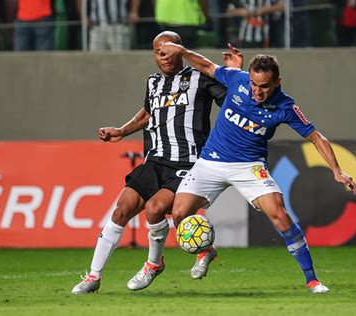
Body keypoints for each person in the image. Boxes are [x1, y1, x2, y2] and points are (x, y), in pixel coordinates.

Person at [159, 42, 356, 293]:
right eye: (254, 84)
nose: (257, 91)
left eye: (264, 86)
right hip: (211, 161)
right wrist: (182, 51)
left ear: (277, 82)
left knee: (281, 216)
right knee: (178, 215)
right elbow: (208, 67)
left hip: (249, 166)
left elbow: (315, 137)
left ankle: (312, 279)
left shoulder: (286, 107)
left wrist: (336, 170)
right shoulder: (237, 79)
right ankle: (207, 251)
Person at [71, 31, 243, 294]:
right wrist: (121, 130)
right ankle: (93, 276)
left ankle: (153, 264)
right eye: (157, 51)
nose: (162, 55)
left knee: (154, 209)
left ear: (179, 50)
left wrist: (234, 75)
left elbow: (234, 101)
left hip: (187, 162)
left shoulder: (201, 78)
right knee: (121, 210)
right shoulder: (153, 83)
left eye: (168, 49)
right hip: (155, 160)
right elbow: (148, 113)